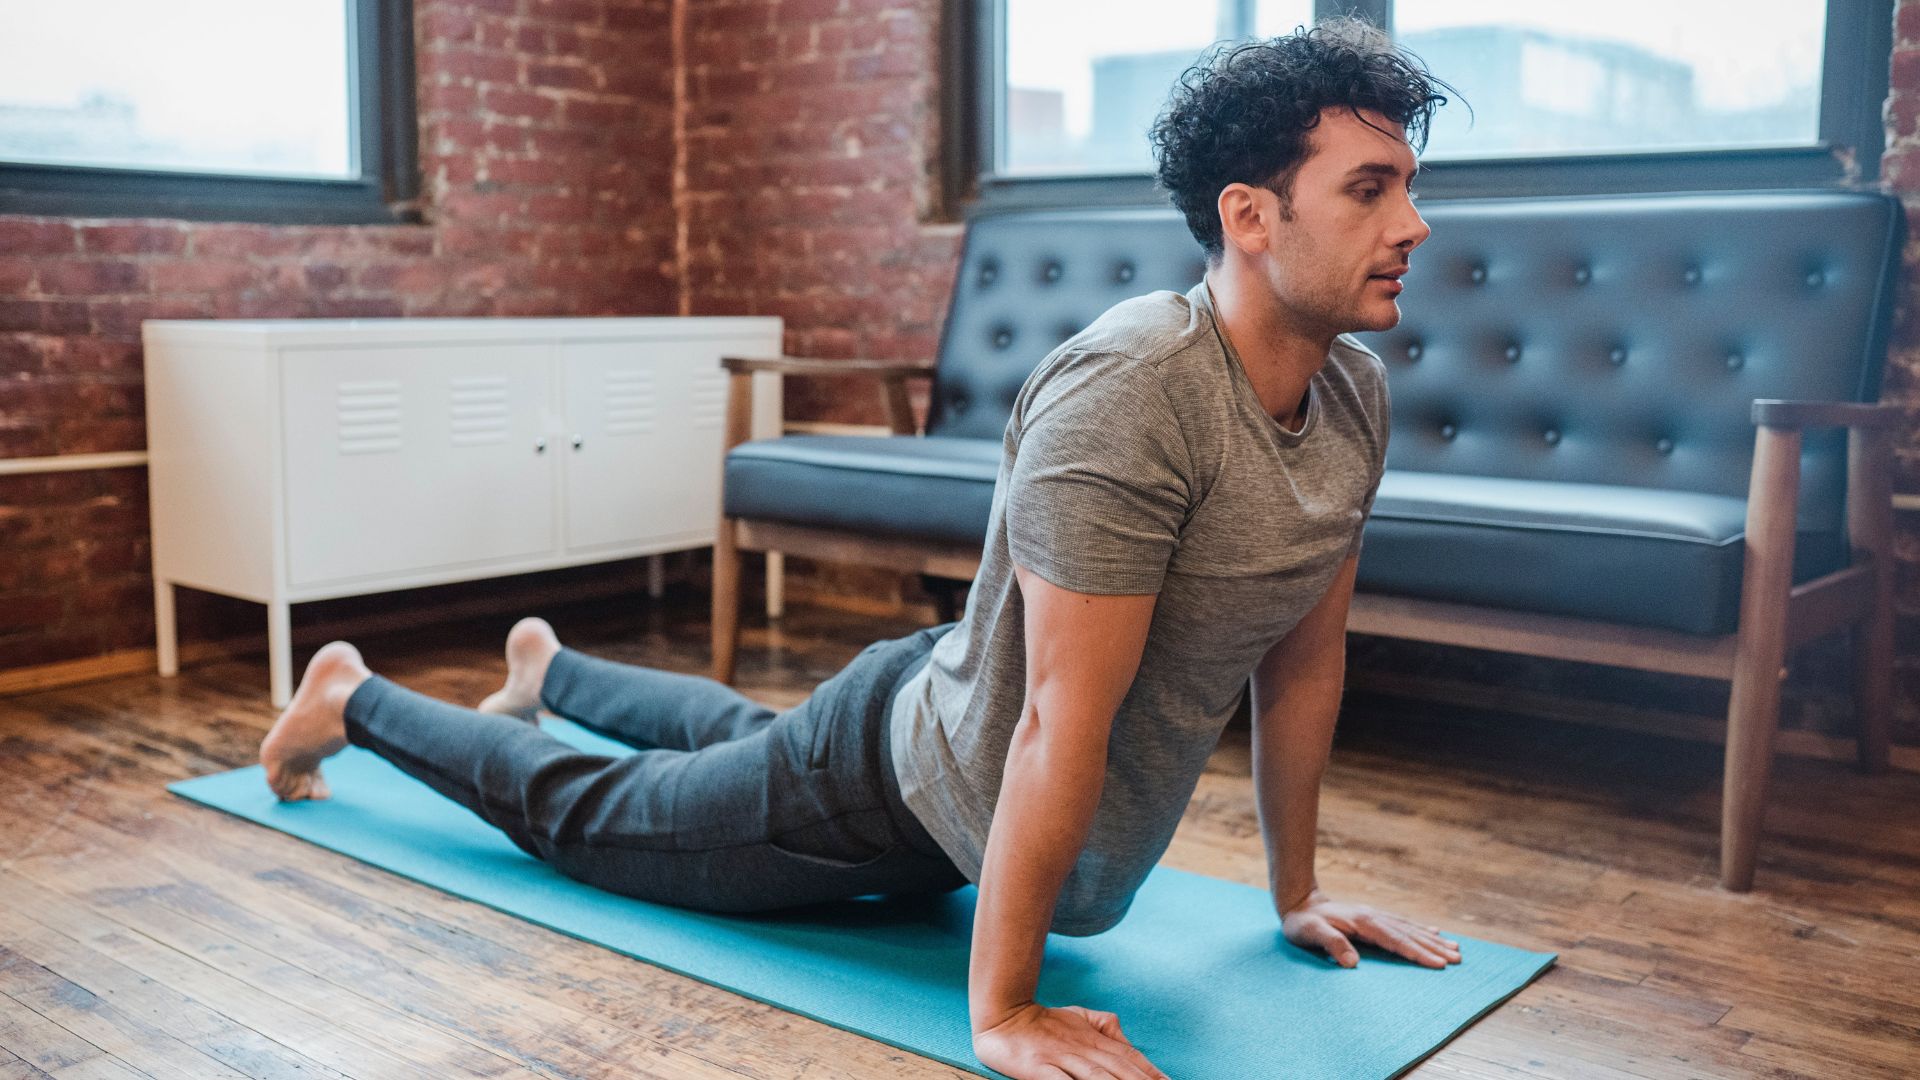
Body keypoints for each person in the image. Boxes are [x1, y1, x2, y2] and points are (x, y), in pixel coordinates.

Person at [260, 18, 1463, 1080]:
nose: (1413, 223)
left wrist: (1295, 894)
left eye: (1408, 184)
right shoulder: (1136, 391)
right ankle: (352, 695)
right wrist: (1001, 1011)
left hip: (940, 708)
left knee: (741, 748)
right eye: (1370, 188)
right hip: (892, 788)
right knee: (607, 818)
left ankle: (551, 674)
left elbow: (1302, 663)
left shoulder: (1351, 395)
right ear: (1250, 217)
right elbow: (1052, 716)